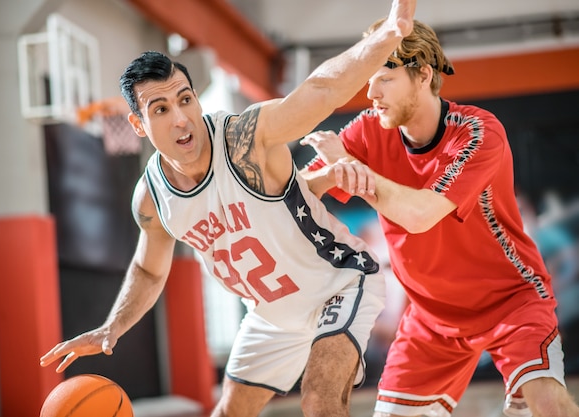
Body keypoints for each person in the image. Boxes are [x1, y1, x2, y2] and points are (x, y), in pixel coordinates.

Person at [40, 1, 416, 416]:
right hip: (272, 315)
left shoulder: (243, 141)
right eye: (161, 109)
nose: (181, 119)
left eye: (185, 100)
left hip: (338, 284)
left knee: (319, 400)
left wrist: (390, 33)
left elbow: (320, 90)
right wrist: (113, 327)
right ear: (137, 125)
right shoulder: (152, 197)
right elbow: (149, 269)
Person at [300, 18, 579, 417]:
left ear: (423, 75)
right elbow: (300, 192)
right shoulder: (367, 130)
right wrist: (329, 173)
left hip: (510, 302)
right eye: (368, 80)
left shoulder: (480, 131)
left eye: (384, 79)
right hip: (430, 318)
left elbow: (419, 215)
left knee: (547, 406)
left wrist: (349, 167)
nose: (371, 93)